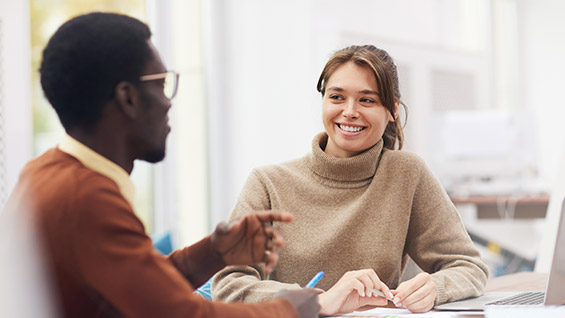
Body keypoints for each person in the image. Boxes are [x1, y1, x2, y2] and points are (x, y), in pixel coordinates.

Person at [1, 12, 320, 318]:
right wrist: (290, 310)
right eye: (162, 83)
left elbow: (140, 288)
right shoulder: (87, 197)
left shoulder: (44, 172)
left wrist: (214, 253)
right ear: (128, 98)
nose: (169, 102)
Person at [211, 45, 489, 315]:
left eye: (367, 100)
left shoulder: (407, 173)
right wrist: (317, 302)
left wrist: (436, 286)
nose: (349, 111)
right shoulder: (267, 183)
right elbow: (229, 285)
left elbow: (468, 267)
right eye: (336, 97)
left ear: (392, 110)